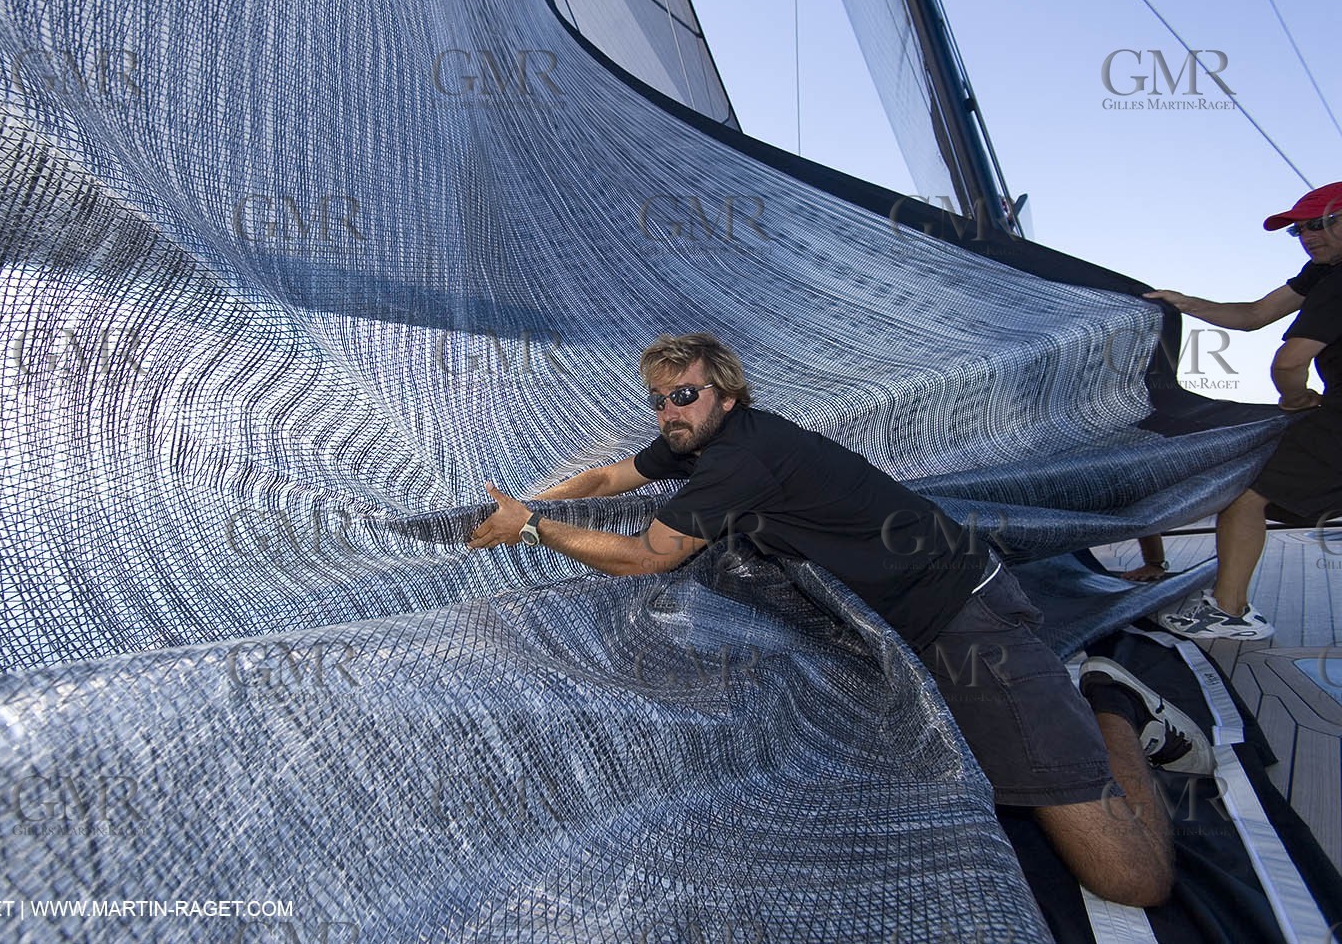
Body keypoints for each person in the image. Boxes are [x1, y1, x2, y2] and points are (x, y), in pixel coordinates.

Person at [469, 333, 1213, 907]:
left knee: (1130, 878)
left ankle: (1109, 697)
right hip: (911, 623)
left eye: (685, 393)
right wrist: (532, 499)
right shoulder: (699, 441)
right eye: (660, 398)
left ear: (727, 395)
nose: (670, 411)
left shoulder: (742, 458)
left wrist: (534, 528)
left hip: (967, 616)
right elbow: (605, 478)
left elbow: (643, 558)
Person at [1144, 181, 1342, 641]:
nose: (1309, 236)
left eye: (1321, 224)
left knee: (1245, 490)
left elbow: (1290, 361)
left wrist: (1294, 399)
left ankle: (1228, 611)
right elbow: (1254, 315)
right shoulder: (1321, 273)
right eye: (1299, 230)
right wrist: (1184, 303)